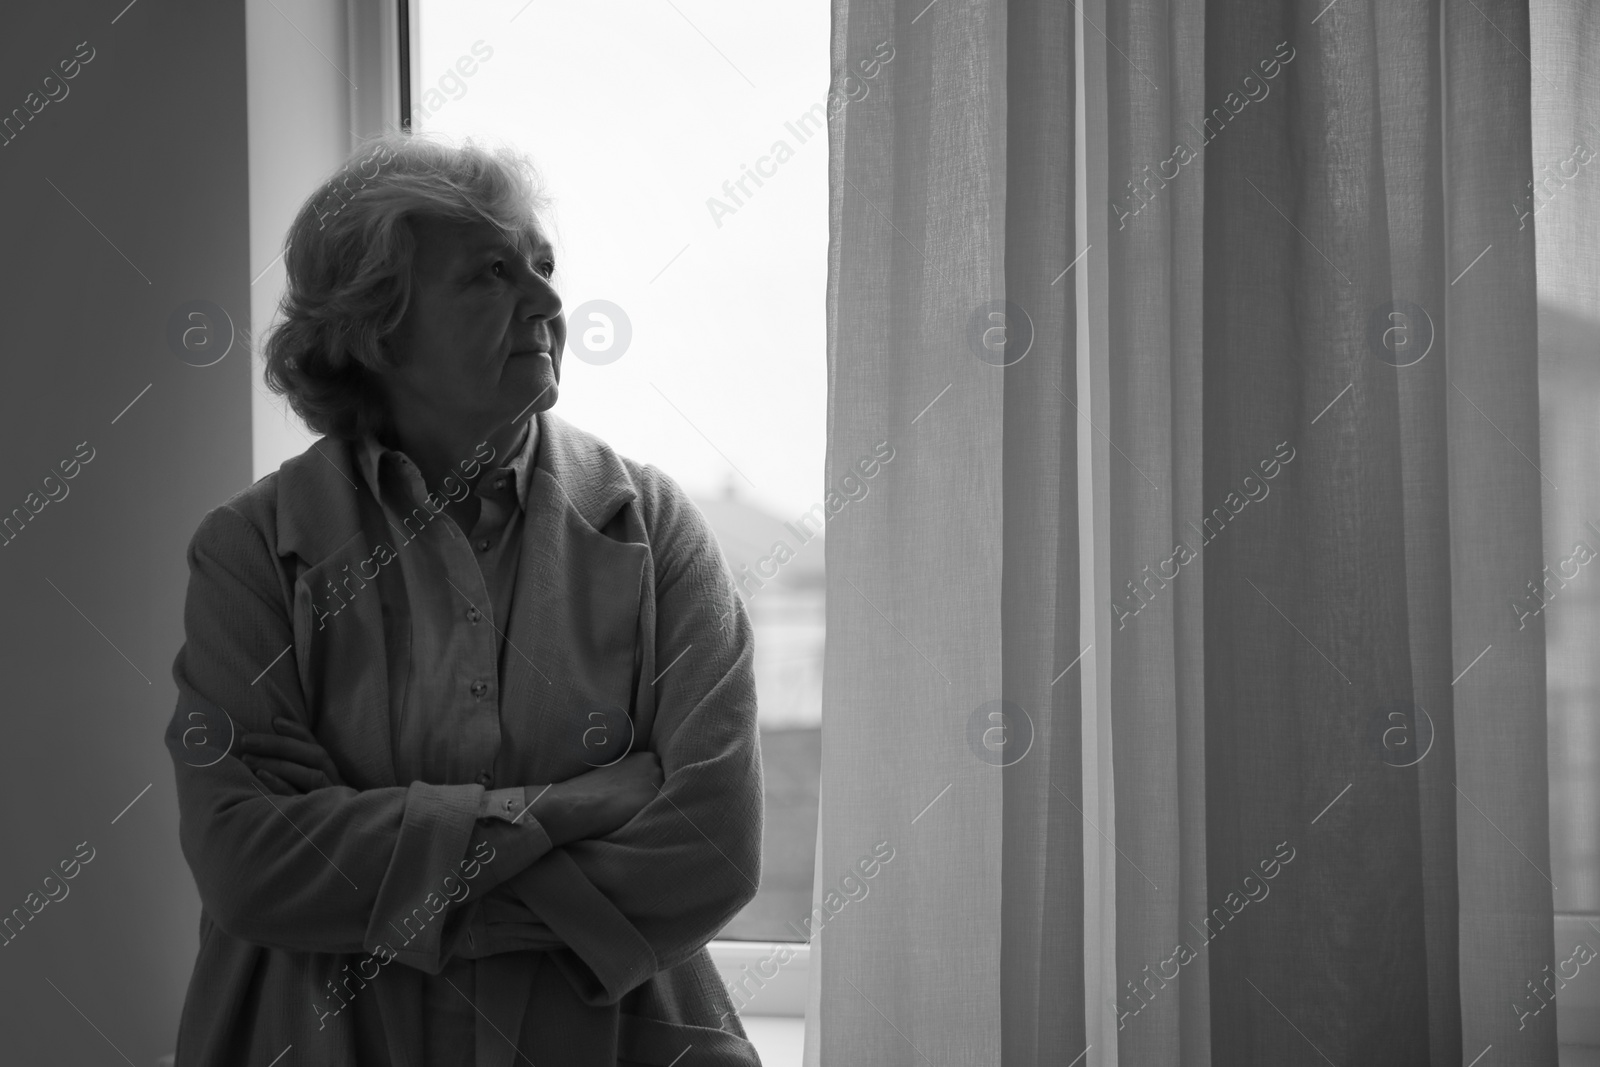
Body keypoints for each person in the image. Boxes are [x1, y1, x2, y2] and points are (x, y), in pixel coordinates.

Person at [163, 132, 764, 1066]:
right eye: (492, 272)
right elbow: (249, 860)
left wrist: (408, 896)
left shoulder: (656, 529)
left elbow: (710, 851)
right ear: (376, 325)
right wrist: (562, 812)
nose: (553, 302)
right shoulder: (249, 549)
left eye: (545, 265)